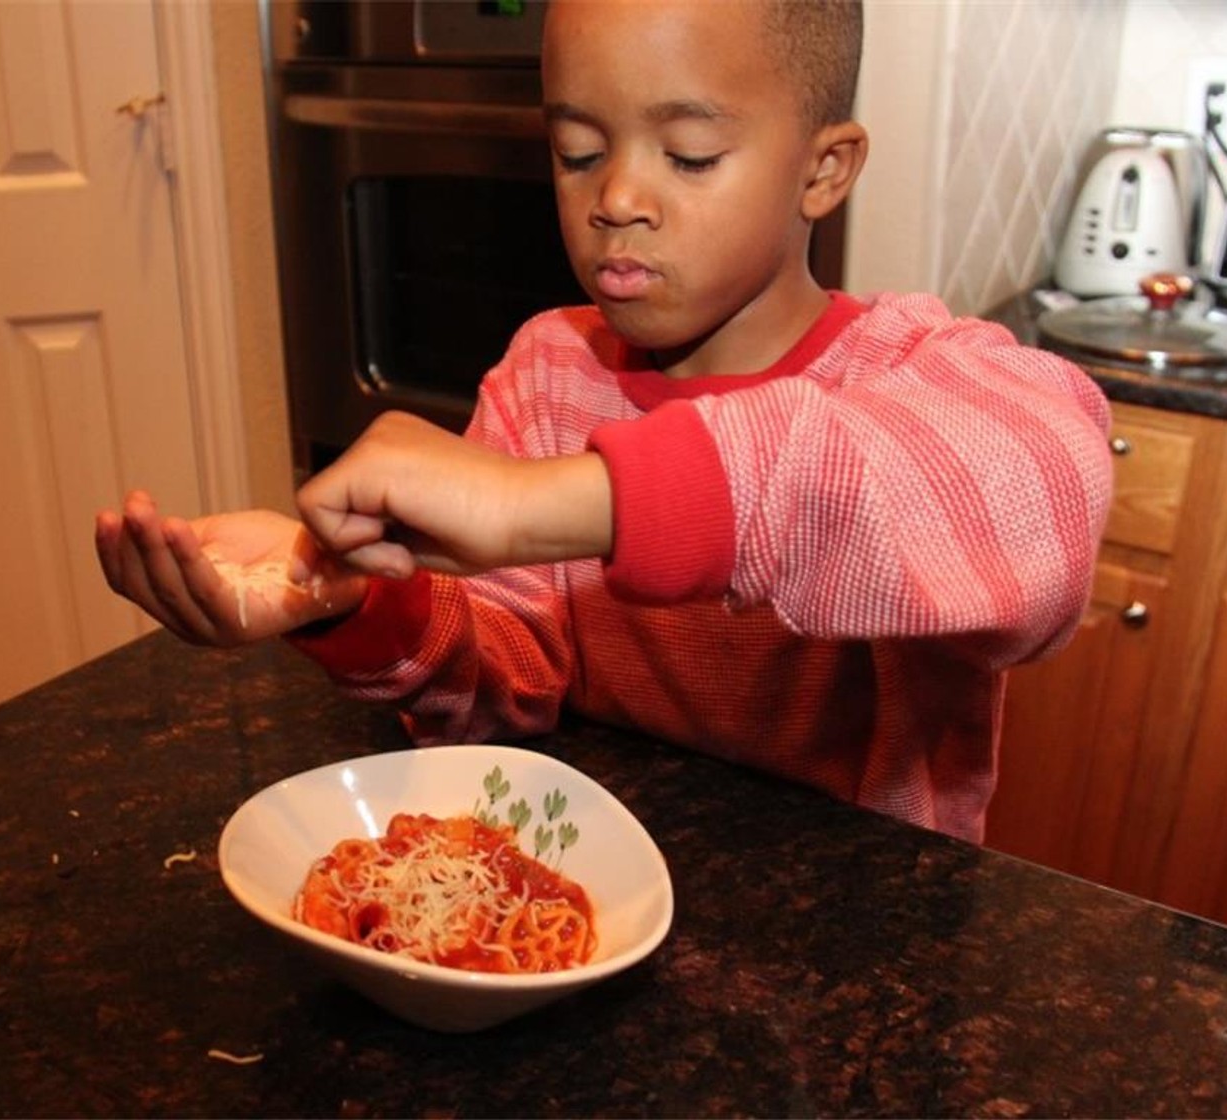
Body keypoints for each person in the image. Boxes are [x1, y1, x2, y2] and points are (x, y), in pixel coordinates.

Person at [96, 0, 1112, 843]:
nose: (617, 195)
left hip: (862, 951)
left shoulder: (909, 371)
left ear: (823, 170)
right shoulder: (547, 372)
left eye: (689, 153)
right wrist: (350, 598)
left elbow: (1046, 501)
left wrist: (560, 502)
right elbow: (500, 686)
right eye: (578, 151)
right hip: (608, 902)